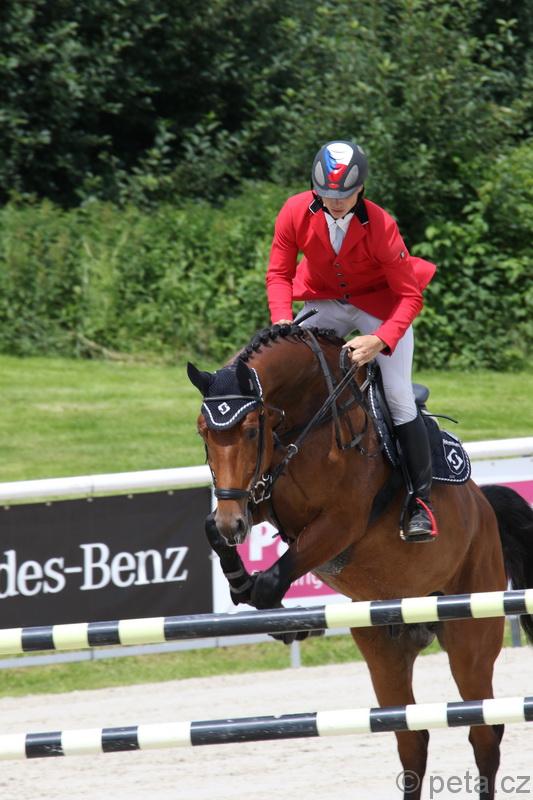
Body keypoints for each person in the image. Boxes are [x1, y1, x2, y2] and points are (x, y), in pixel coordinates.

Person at [266, 139, 438, 540]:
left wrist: (380, 340)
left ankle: (420, 502)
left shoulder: (380, 225)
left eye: (344, 194)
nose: (335, 202)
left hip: (380, 305)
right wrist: (282, 320)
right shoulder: (294, 211)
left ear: (360, 189)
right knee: (287, 371)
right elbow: (279, 274)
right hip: (324, 301)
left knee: (398, 397)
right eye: (326, 194)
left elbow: (410, 297)